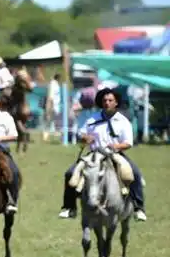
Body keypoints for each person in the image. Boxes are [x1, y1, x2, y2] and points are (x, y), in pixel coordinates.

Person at [59, 87, 146, 222]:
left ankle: (138, 208)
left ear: (116, 103)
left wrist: (116, 146)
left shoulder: (123, 121)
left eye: (110, 100)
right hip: (94, 154)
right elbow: (81, 135)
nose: (107, 103)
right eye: (104, 100)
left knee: (135, 173)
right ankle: (69, 208)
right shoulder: (93, 119)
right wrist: (85, 138)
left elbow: (128, 143)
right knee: (70, 173)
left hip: (115, 154)